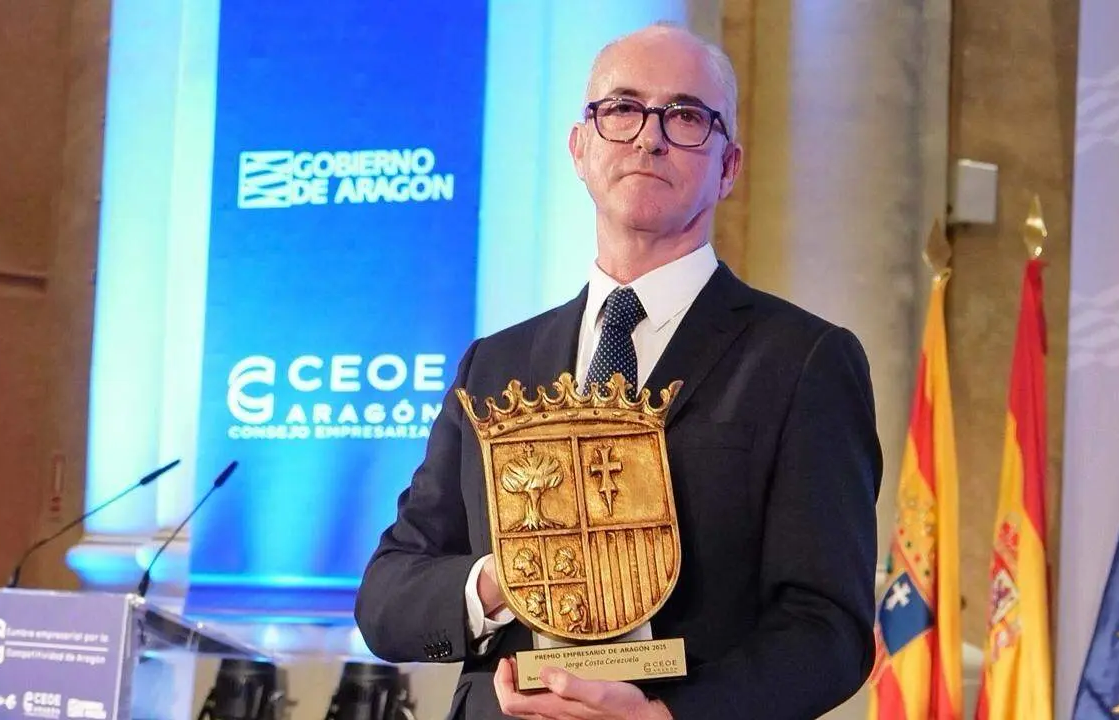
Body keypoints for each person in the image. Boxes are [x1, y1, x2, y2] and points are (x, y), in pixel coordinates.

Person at [357, 22, 882, 720]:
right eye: (622, 108)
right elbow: (389, 595)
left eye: (687, 115)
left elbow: (828, 629)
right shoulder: (495, 366)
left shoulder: (802, 360)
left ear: (729, 168)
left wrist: (667, 718)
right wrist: (507, 580)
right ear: (581, 147)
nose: (649, 136)